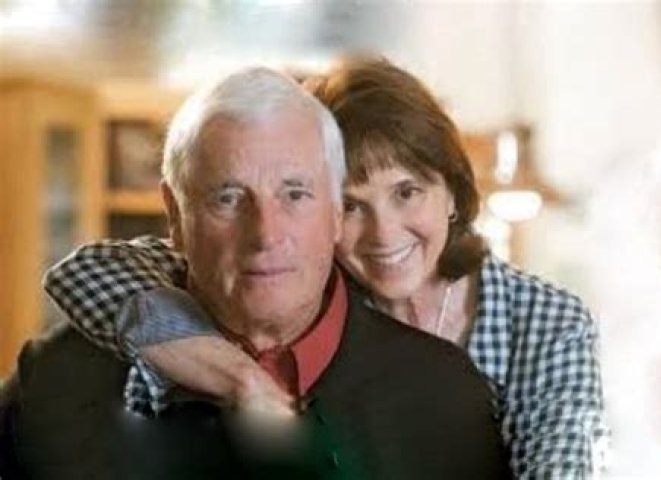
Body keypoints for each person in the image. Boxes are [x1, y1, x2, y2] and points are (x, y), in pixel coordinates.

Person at [42, 58, 606, 478]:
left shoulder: (544, 322)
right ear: (330, 213)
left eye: (407, 192)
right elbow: (86, 271)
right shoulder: (299, 285)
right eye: (353, 204)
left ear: (454, 193)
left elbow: (564, 467)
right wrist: (236, 376)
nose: (384, 234)